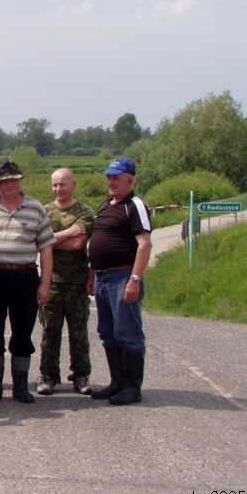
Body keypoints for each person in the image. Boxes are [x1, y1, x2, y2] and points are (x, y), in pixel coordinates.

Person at [0, 160, 55, 403]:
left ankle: (20, 386)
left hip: (24, 277)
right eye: (4, 181)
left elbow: (46, 249)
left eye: (14, 180)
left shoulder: (35, 208)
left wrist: (45, 284)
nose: (10, 184)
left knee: (22, 332)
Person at [88, 158, 152, 406]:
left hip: (122, 276)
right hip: (102, 278)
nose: (111, 181)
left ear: (130, 180)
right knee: (108, 332)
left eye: (116, 177)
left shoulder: (135, 205)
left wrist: (135, 279)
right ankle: (116, 383)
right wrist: (92, 274)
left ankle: (132, 388)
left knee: (128, 332)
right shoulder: (106, 205)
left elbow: (144, 244)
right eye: (109, 177)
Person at [36, 168, 95, 396]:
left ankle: (80, 375)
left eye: (63, 184)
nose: (58, 189)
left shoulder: (84, 212)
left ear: (74, 185)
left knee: (78, 332)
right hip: (50, 281)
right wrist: (68, 232)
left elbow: (77, 244)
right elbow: (38, 242)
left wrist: (49, 241)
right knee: (49, 331)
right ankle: (48, 376)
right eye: (55, 185)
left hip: (76, 283)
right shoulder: (44, 211)